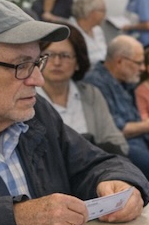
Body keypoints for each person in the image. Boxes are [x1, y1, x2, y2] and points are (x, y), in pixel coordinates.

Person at [0, 0, 148, 225]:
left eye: (37, 63)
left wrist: (120, 183)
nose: (38, 80)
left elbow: (94, 163)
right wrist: (14, 219)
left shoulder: (36, 115)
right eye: (21, 66)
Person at [84, 35, 149, 180]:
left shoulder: (126, 79)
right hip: (123, 149)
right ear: (120, 61)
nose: (142, 68)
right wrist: (148, 125)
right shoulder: (95, 84)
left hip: (146, 141)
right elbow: (115, 130)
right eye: (139, 63)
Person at [37, 24, 129, 157]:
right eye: (49, 55)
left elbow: (118, 143)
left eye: (65, 55)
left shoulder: (91, 95)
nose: (56, 62)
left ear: (78, 62)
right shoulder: (29, 98)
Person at [70, 0, 108, 65]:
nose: (105, 15)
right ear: (90, 11)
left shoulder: (97, 30)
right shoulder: (72, 33)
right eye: (102, 11)